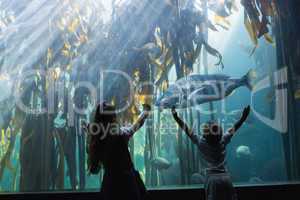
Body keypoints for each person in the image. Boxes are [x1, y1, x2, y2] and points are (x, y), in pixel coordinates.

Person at [171, 105, 251, 200]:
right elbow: (234, 128)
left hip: (211, 179)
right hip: (226, 177)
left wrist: (176, 117)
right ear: (220, 132)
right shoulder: (223, 140)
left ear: (204, 133)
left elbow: (187, 129)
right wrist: (243, 118)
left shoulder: (201, 142)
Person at [84, 102, 151, 200]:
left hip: (110, 184)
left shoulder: (97, 139)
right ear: (113, 118)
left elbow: (94, 168)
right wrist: (145, 113)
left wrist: (90, 134)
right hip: (127, 183)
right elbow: (136, 126)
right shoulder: (120, 134)